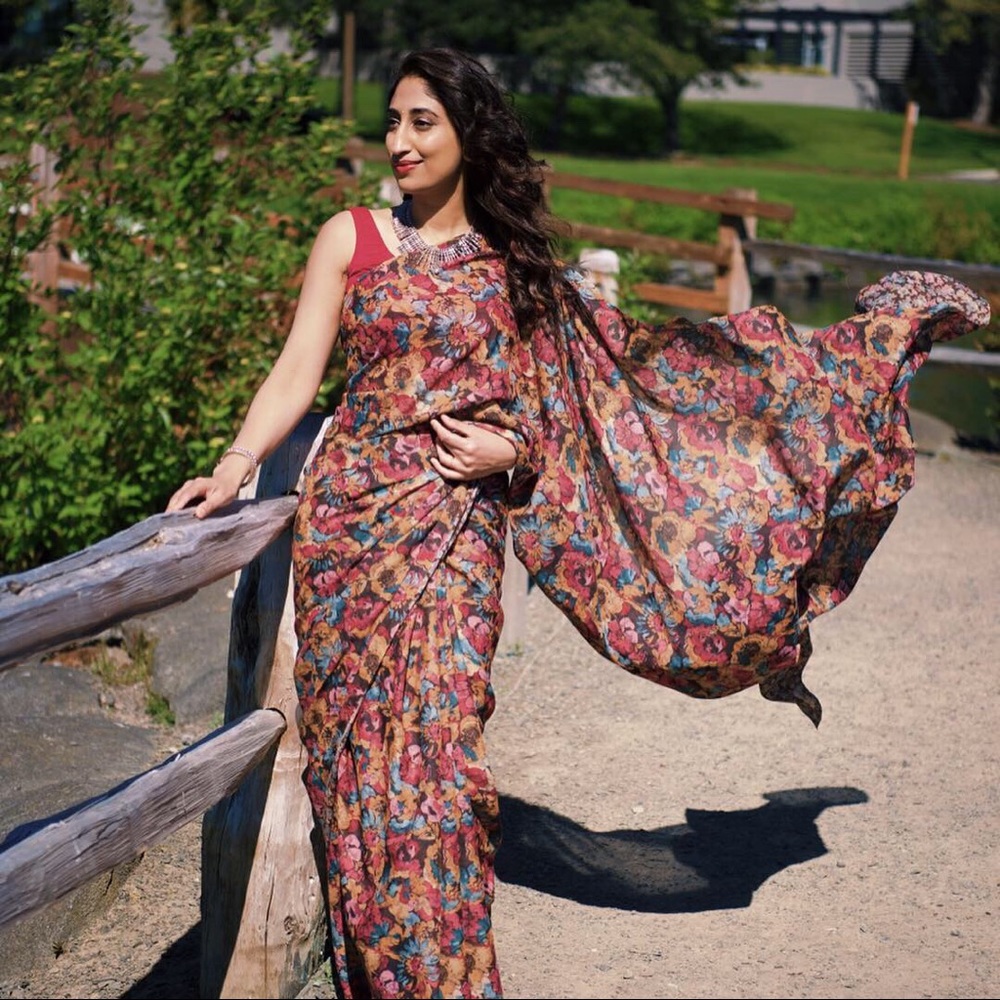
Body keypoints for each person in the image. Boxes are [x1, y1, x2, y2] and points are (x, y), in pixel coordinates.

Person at [167, 48, 990, 999]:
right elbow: (296, 374)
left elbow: (572, 404)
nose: (398, 141)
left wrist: (505, 456)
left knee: (436, 763)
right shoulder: (347, 240)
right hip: (351, 531)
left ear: (468, 132)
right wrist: (231, 471)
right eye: (391, 122)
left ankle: (443, 983)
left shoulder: (515, 264)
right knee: (352, 764)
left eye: (421, 122)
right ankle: (370, 973)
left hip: (455, 533)